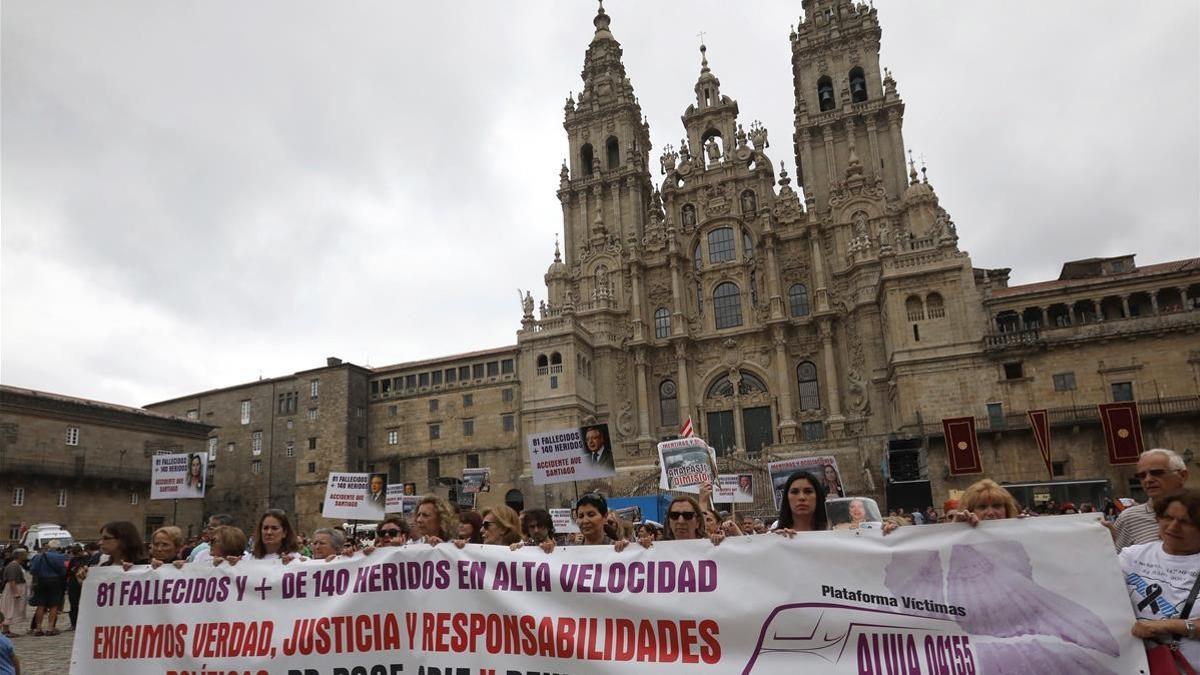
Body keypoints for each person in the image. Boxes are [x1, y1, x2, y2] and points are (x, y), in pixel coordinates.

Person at [1120, 489, 1200, 668]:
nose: (1172, 527)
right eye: (1168, 518)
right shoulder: (1132, 556)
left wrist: (1168, 626)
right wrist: (1098, 546)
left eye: (1185, 522)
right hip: (1136, 666)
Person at [1115, 449, 1189, 549]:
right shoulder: (1129, 518)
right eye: (1142, 476)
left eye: (1157, 473)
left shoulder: (1196, 510)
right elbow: (1113, 559)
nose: (1148, 480)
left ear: (1182, 476)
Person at [28, 540, 67, 636]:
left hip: (41, 581)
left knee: (40, 605)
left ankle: (38, 628)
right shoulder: (61, 557)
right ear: (58, 547)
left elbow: (33, 570)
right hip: (55, 581)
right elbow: (63, 571)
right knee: (54, 605)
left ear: (48, 546)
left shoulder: (39, 556)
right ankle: (50, 628)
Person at [0, 550, 27, 637]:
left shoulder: (17, 565)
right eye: (24, 554)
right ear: (19, 555)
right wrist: (15, 592)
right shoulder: (13, 566)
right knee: (9, 608)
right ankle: (5, 630)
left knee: (11, 608)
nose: (26, 555)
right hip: (13, 590)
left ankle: (7, 630)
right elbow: (12, 580)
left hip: (17, 588)